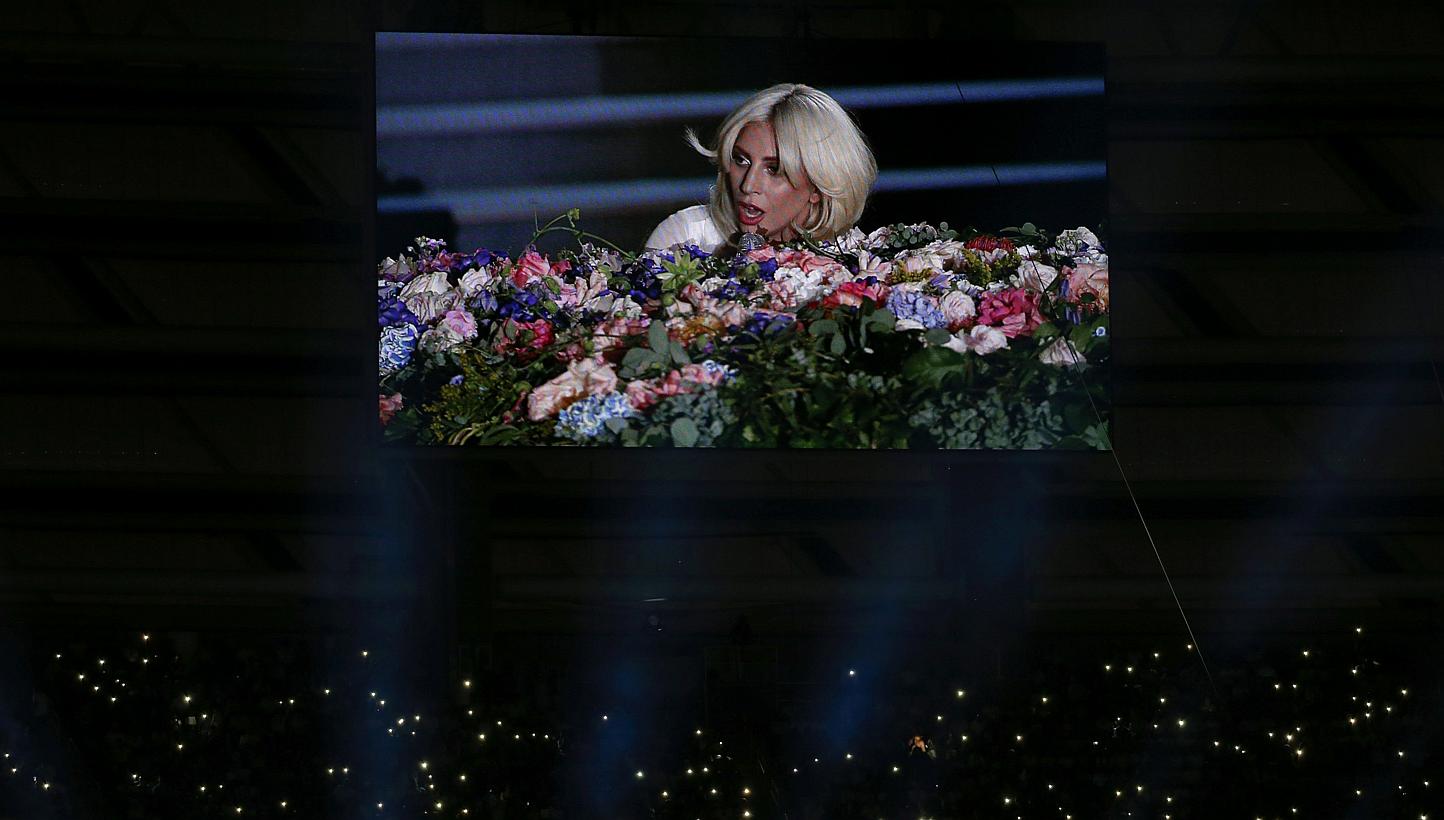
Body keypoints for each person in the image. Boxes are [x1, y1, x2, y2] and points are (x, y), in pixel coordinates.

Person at [645, 83, 877, 254]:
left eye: (774, 169)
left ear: (818, 186)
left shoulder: (853, 258)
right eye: (741, 160)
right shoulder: (686, 236)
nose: (748, 185)